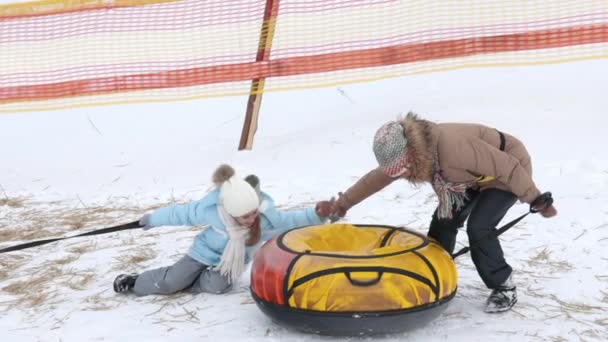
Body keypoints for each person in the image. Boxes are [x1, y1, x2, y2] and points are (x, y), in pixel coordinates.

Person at [326, 112, 557, 313]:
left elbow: (507, 167)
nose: (403, 175)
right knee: (443, 220)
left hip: (507, 170)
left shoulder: (454, 149)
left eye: (404, 169)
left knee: (479, 226)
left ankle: (503, 286)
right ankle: (434, 273)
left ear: (411, 154)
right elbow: (374, 180)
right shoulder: (410, 155)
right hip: (466, 177)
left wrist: (536, 198)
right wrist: (343, 203)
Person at [113, 164, 333, 296]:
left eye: (254, 212)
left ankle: (189, 281)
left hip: (231, 263)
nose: (252, 219)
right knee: (171, 282)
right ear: (231, 211)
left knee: (217, 288)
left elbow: (291, 220)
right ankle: (136, 281)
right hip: (203, 252)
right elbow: (181, 213)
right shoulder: (212, 210)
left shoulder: (265, 219)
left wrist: (318, 215)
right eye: (245, 216)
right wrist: (152, 219)